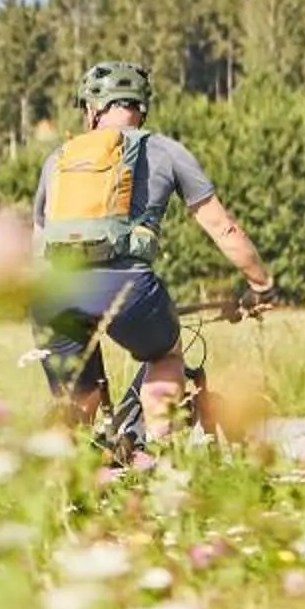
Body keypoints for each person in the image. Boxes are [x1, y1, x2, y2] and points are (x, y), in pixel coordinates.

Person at [29, 61, 278, 440]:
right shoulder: (165, 151)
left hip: (53, 296)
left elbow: (38, 248)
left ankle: (64, 480)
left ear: (93, 110)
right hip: (127, 290)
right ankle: (155, 462)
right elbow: (224, 228)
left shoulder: (58, 160)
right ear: (141, 108)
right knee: (165, 355)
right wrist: (261, 284)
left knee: (77, 404)